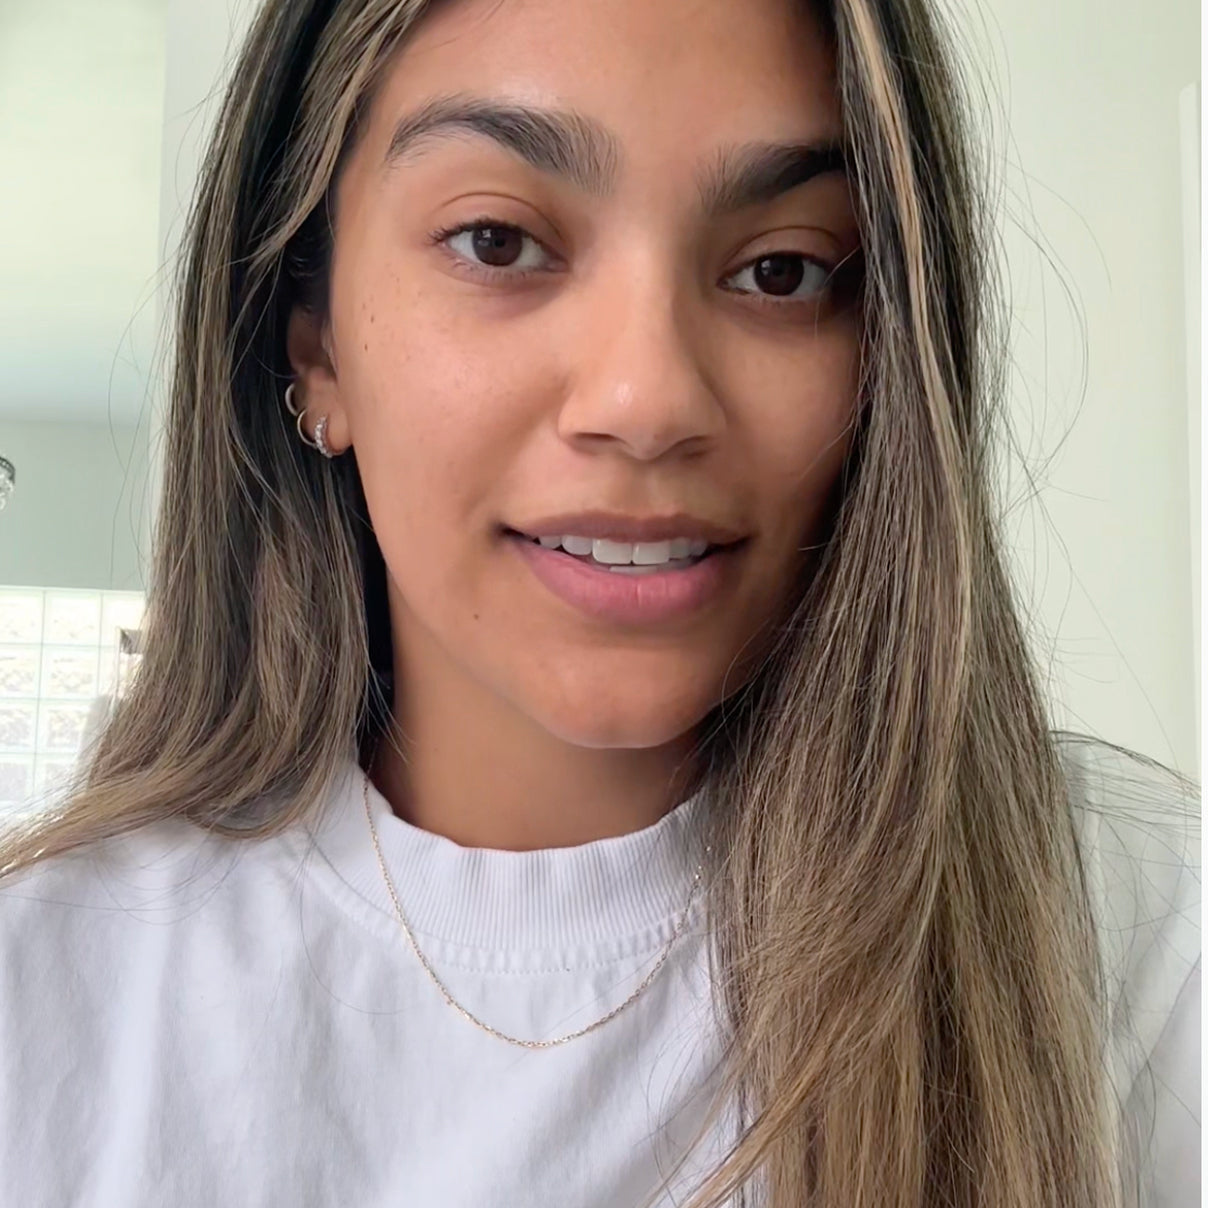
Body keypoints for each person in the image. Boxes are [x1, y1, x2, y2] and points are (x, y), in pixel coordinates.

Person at [0, 0, 1199, 1204]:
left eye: (781, 270)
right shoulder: (49, 992)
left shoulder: (1140, 944)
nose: (645, 395)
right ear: (311, 341)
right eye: (498, 242)